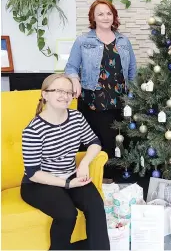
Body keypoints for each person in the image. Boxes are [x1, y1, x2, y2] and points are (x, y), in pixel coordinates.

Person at [20, 74, 110, 250]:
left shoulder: (76, 118)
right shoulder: (33, 130)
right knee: (67, 214)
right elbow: (34, 173)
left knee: (96, 205)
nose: (65, 96)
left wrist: (83, 164)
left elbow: (94, 142)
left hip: (71, 175)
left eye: (69, 92)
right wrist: (67, 184)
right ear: (45, 94)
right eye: (59, 91)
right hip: (38, 183)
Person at [65, 0, 137, 159]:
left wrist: (134, 94)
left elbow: (132, 70)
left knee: (114, 140)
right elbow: (71, 67)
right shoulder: (83, 41)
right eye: (100, 14)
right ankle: (90, 177)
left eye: (109, 13)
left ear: (114, 16)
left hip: (119, 100)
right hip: (91, 99)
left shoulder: (124, 41)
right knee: (93, 141)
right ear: (93, 18)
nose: (105, 17)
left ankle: (110, 178)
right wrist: (74, 80)